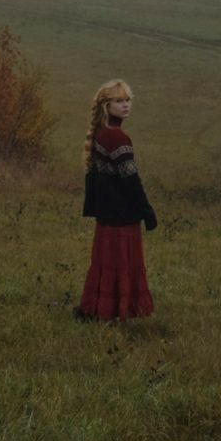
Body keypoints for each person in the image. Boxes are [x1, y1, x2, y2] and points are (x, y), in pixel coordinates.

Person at [74, 79, 157, 322]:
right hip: (122, 217)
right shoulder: (118, 138)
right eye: (118, 101)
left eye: (127, 100)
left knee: (105, 263)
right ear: (106, 106)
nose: (125, 105)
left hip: (108, 215)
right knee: (121, 263)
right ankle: (117, 312)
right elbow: (131, 181)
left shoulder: (102, 133)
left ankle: (97, 309)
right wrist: (147, 211)